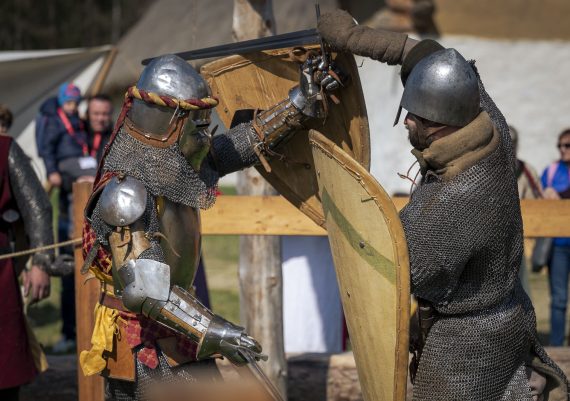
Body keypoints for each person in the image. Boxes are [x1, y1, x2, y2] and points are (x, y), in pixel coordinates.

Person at [318, 10, 568, 400]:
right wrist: (354, 38)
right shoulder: (490, 129)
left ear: (437, 125)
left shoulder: (453, 200)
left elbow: (400, 271)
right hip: (507, 316)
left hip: (464, 345)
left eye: (414, 116)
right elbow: (431, 56)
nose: (406, 122)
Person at [80, 54, 342, 400]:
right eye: (198, 126)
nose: (206, 136)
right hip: (145, 346)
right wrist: (215, 330)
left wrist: (299, 104)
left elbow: (243, 143)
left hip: (178, 332)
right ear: (170, 124)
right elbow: (145, 291)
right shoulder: (126, 192)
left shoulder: (173, 164)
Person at [0, 104, 56, 401]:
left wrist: (41, 263)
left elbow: (37, 208)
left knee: (4, 362)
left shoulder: (5, 149)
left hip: (0, 274)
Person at [541, 128, 570, 347]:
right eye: (560, 146)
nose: (562, 150)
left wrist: (559, 195)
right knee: (559, 298)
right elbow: (539, 199)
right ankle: (557, 346)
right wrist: (547, 195)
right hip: (558, 244)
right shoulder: (550, 171)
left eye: (567, 145)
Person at [510, 125, 542, 295]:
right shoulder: (486, 170)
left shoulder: (527, 171)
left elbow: (538, 202)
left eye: (512, 142)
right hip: (494, 238)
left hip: (519, 236)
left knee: (522, 287)